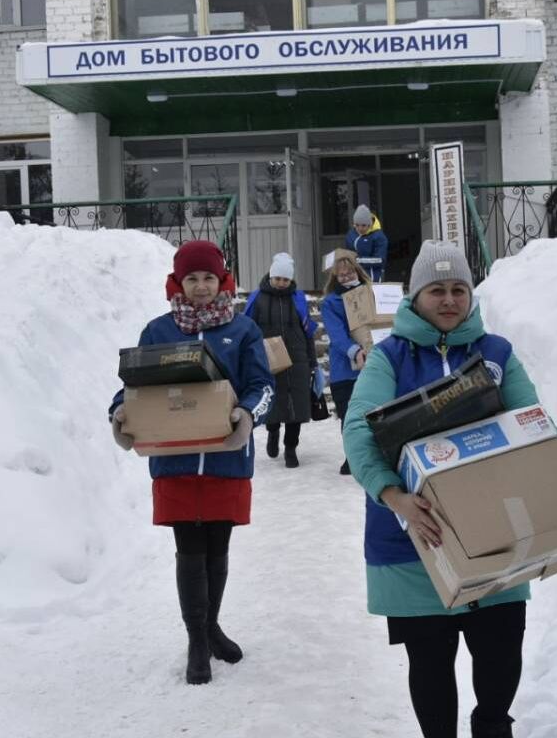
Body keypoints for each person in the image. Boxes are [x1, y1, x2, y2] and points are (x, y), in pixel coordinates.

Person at [341, 241, 557, 738]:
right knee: (431, 665)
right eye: (436, 289)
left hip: (501, 530)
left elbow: (537, 430)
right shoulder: (389, 358)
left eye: (459, 289)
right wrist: (394, 497)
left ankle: (491, 728)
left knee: (500, 665)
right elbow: (358, 430)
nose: (449, 299)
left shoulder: (496, 353)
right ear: (416, 297)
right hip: (416, 541)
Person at [108, 240, 274, 685]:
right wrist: (120, 414)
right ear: (178, 283)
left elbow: (263, 387)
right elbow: (131, 389)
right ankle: (196, 641)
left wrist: (247, 415)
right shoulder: (158, 331)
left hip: (226, 458)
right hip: (174, 461)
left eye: (207, 278)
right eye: (191, 279)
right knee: (189, 549)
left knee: (217, 547)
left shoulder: (242, 331)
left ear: (221, 281)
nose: (200, 287)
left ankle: (212, 625)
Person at [243, 252, 319, 468]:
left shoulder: (298, 299)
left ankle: (291, 448)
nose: (281, 283)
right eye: (278, 278)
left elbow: (307, 331)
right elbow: (247, 329)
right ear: (271, 276)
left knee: (297, 408)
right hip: (269, 358)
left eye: (285, 279)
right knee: (274, 403)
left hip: (297, 359)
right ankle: (273, 432)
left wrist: (312, 360)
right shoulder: (257, 298)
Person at [319, 248, 373, 475]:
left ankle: (372, 453)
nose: (346, 278)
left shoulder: (370, 293)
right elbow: (337, 334)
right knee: (349, 415)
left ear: (357, 272)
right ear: (335, 277)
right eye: (341, 275)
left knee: (371, 411)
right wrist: (355, 350)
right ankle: (353, 455)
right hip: (345, 368)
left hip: (371, 364)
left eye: (350, 273)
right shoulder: (331, 302)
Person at [345, 204, 389, 282]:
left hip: (372, 277)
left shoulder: (379, 236)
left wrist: (358, 260)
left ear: (370, 223)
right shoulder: (351, 234)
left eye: (364, 225)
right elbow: (348, 253)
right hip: (354, 278)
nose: (360, 228)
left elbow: (380, 260)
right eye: (357, 225)